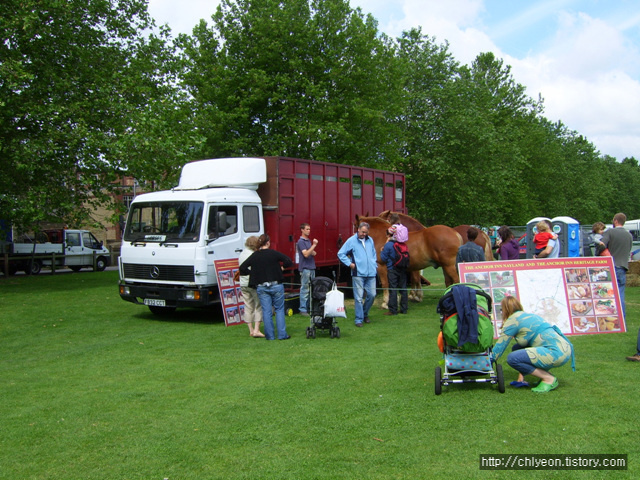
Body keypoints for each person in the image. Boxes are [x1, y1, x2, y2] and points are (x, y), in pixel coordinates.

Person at [493, 296, 575, 393]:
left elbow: (500, 347)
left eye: (501, 309)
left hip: (555, 353)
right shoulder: (529, 316)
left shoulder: (512, 321)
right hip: (564, 349)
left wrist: (486, 362)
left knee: (512, 358)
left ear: (505, 309)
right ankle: (525, 379)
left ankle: (548, 378)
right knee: (517, 348)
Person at [596, 214, 636, 361]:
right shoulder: (629, 235)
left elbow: (601, 245)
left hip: (610, 266)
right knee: (621, 295)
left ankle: (607, 320)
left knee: (606, 295)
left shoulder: (610, 232)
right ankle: (622, 321)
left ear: (615, 221)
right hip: (623, 267)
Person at [239, 234, 293, 340]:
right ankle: (282, 334)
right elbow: (288, 261)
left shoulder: (255, 255)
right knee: (279, 309)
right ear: (268, 243)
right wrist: (281, 267)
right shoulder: (273, 253)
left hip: (262, 287)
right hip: (276, 284)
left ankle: (270, 336)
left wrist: (253, 273)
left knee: (266, 311)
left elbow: (242, 268)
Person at [337, 222, 378, 327]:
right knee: (359, 297)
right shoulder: (351, 241)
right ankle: (359, 319)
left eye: (366, 232)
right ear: (358, 230)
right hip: (358, 273)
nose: (364, 234)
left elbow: (373, 253)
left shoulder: (370, 240)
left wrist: (374, 263)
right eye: (362, 232)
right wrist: (349, 264)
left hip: (371, 273)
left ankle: (365, 313)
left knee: (372, 294)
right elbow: (341, 253)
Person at [238, 236, 264, 338]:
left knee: (248, 306)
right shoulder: (253, 255)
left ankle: (251, 329)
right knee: (258, 305)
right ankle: (257, 329)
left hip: (243, 283)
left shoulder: (242, 253)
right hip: (252, 283)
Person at [380, 227, 408, 316]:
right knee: (403, 288)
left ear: (389, 235)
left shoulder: (388, 245)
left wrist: (382, 250)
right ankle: (404, 309)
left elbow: (383, 258)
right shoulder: (402, 244)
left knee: (393, 289)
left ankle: (393, 310)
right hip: (402, 268)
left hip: (392, 269)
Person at [296, 223, 318, 315]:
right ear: (302, 230)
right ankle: (303, 309)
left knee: (311, 288)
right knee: (305, 288)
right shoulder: (301, 242)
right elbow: (305, 254)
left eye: (309, 229)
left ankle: (309, 307)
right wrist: (314, 245)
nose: (309, 231)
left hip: (311, 267)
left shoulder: (308, 241)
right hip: (305, 268)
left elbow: (312, 253)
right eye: (307, 229)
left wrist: (312, 249)